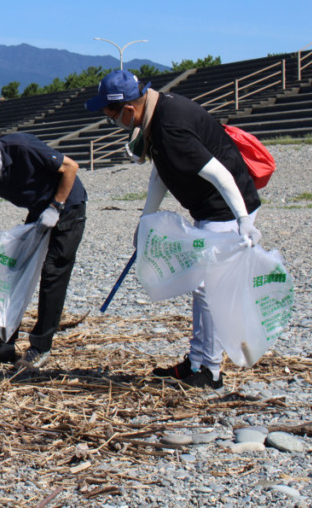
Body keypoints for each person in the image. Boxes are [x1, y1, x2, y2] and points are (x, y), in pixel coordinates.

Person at [86, 69, 261, 389]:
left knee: (207, 290)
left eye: (110, 115)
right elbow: (161, 175)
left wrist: (244, 219)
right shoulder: (155, 116)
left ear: (128, 109)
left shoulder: (170, 125)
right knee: (201, 288)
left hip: (225, 211)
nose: (112, 121)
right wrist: (145, 224)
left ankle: (209, 372)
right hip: (209, 210)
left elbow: (220, 174)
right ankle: (196, 361)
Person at [0, 127, 87, 371]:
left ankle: (41, 346)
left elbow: (70, 168)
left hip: (67, 204)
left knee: (53, 273)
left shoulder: (22, 148)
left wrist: (56, 206)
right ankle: (4, 341)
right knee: (13, 270)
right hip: (39, 209)